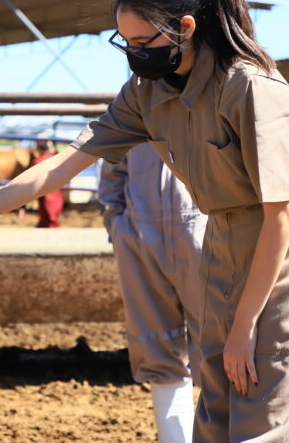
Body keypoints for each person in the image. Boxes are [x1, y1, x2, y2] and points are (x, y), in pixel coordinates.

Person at [0, 0, 289, 442]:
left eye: (142, 42)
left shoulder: (251, 87)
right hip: (220, 248)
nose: (134, 54)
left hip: (282, 260)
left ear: (184, 27)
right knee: (218, 418)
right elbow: (62, 165)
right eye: (126, 43)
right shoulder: (146, 91)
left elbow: (279, 217)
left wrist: (244, 326)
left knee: (270, 416)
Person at [99, 142, 207, 443]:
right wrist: (119, 225)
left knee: (220, 349)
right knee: (157, 349)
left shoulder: (215, 96)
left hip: (204, 231)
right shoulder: (134, 101)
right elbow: (112, 164)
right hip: (140, 234)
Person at [31, 139, 64, 228]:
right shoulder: (55, 158)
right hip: (55, 189)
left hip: (44, 190)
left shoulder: (37, 161)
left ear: (38, 149)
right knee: (51, 212)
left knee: (46, 210)